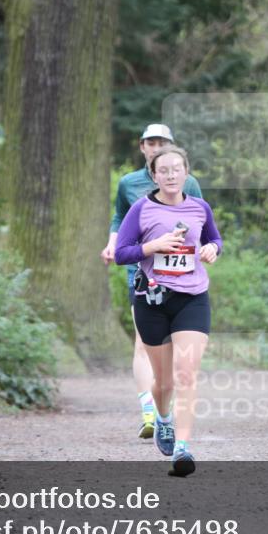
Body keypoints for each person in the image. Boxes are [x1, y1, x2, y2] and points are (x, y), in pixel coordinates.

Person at [113, 145, 221, 477]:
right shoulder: (142, 209)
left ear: (186, 173)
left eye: (177, 169)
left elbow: (215, 239)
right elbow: (121, 253)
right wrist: (153, 247)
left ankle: (183, 447)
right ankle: (162, 418)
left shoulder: (200, 208)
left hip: (192, 298)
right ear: (154, 175)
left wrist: (211, 249)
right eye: (164, 170)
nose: (171, 175)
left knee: (186, 373)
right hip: (153, 301)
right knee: (164, 381)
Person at [100, 124, 204, 441]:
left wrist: (204, 249)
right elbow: (120, 218)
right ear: (142, 147)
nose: (156, 147)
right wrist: (112, 242)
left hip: (183, 280)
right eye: (150, 143)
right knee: (143, 345)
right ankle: (150, 412)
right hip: (143, 275)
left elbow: (200, 219)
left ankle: (163, 406)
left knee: (177, 353)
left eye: (162, 142)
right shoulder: (129, 184)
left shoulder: (190, 184)